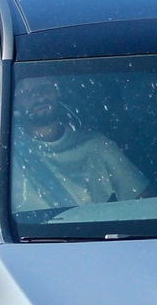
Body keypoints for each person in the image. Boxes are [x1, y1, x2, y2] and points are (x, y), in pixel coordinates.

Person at [11, 73, 148, 212]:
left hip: (90, 233)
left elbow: (144, 202)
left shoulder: (97, 146)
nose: (39, 96)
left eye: (44, 87)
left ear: (56, 89)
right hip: (22, 234)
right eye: (26, 92)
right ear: (14, 101)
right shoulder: (4, 154)